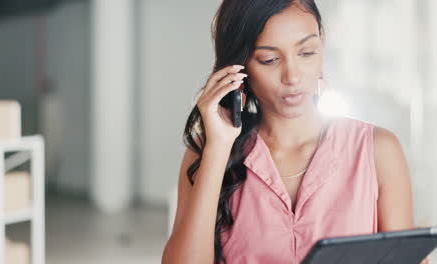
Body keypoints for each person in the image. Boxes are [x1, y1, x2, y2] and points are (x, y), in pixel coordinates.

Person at [162, 0, 428, 263]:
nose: (293, 77)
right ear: (239, 68)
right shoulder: (209, 149)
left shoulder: (377, 150)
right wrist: (218, 149)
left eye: (307, 53)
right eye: (269, 59)